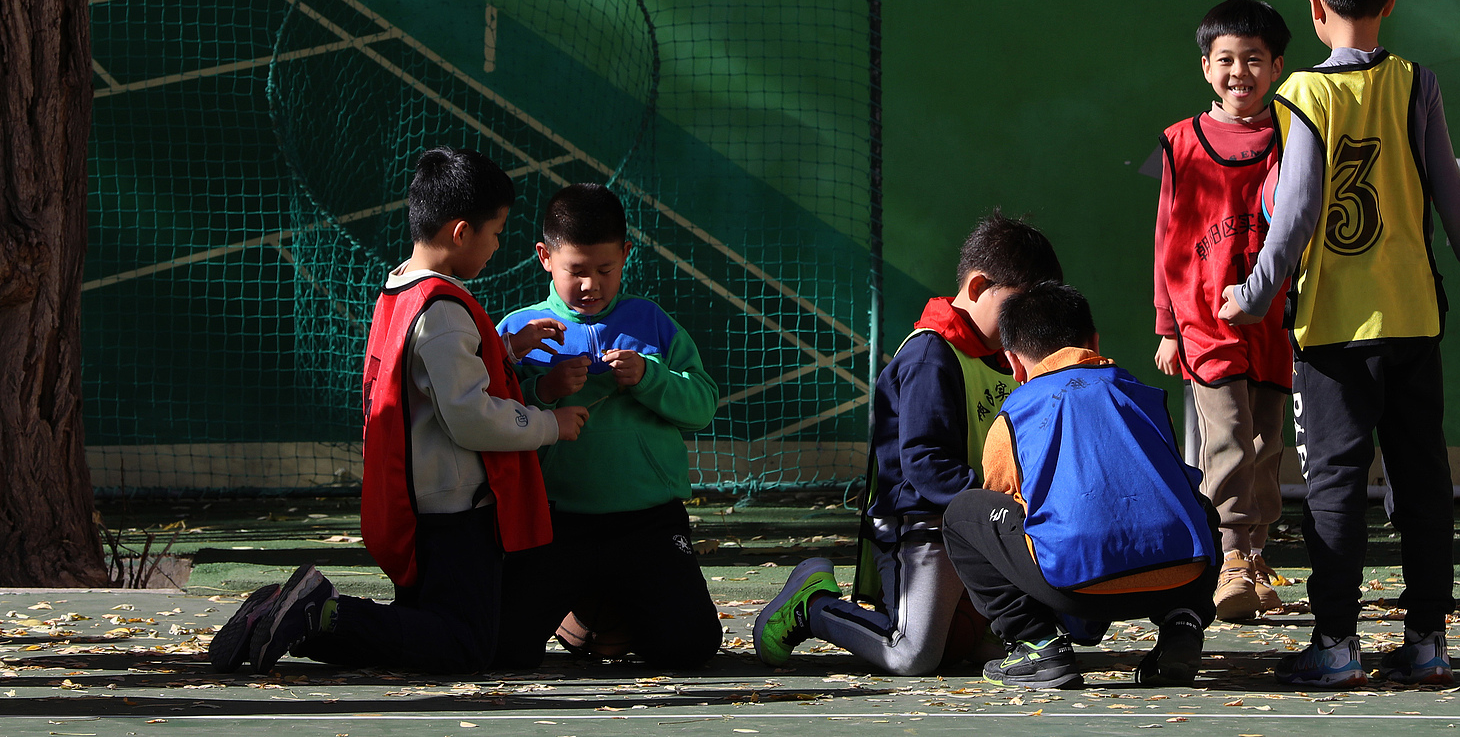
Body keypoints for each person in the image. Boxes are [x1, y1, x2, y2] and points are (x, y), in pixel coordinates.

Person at [1220, 0, 1460, 689]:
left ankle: (1337, 642)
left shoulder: (1304, 93)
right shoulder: (1417, 80)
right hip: (1414, 318)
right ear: (1392, 0)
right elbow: (1454, 197)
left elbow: (1294, 215)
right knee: (1422, 483)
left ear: (1314, 7)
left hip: (1334, 330)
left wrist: (1252, 296)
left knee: (1335, 486)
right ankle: (1426, 641)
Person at [209, 148, 585, 676]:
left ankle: (293, 615)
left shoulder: (402, 286)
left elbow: (436, 378)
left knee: (429, 631)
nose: (499, 245)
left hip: (419, 502)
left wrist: (510, 350)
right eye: (496, 232)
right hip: (456, 513)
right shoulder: (446, 311)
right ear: (460, 232)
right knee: (463, 647)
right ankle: (320, 613)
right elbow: (470, 414)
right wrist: (551, 425)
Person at [753, 211, 1064, 674]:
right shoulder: (929, 355)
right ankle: (814, 604)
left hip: (979, 521)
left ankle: (955, 623)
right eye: (1019, 309)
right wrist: (999, 505)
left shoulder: (1006, 358)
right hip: (920, 525)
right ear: (978, 288)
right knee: (912, 655)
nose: (1027, 327)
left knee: (992, 649)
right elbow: (925, 464)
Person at [943, 282, 1218, 690]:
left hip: (1074, 587)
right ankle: (1184, 626)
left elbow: (1006, 507)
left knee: (963, 515)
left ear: (1014, 364)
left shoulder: (1013, 417)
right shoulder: (1145, 396)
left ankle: (1038, 644)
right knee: (1197, 503)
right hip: (1177, 577)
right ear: (1094, 342)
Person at [494, 182, 721, 668]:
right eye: (576, 270)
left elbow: (702, 405)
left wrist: (650, 377)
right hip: (552, 521)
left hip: (648, 522)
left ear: (625, 255)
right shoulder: (517, 331)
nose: (590, 285)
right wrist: (545, 391)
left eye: (605, 270)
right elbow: (487, 417)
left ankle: (611, 609)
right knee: (502, 649)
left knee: (690, 647)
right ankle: (579, 615)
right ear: (545, 257)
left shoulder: (651, 322)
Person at [1153, 0, 1292, 623]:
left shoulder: (1294, 134)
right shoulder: (1182, 143)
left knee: (1266, 443)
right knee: (1228, 441)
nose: (1241, 73)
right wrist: (1168, 326)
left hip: (1274, 321)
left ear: (1278, 66)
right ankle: (1226, 556)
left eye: (1254, 60)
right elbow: (1169, 239)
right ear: (1206, 67)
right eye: (1227, 60)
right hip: (1206, 321)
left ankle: (1255, 552)